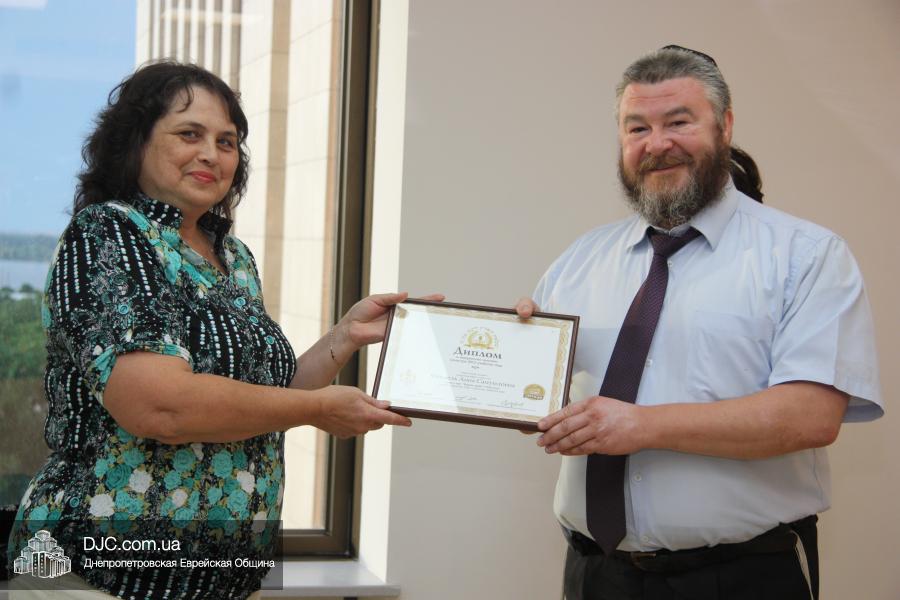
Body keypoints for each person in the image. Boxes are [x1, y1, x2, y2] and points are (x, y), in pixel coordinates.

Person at [6, 61, 426, 599]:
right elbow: (160, 407)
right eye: (189, 134)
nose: (212, 153)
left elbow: (263, 400)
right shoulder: (109, 233)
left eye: (227, 142)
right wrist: (318, 409)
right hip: (99, 576)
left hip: (226, 580)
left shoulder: (234, 256)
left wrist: (342, 337)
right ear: (136, 142)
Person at [515, 46, 883, 600]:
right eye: (637, 128)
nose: (657, 143)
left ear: (724, 126)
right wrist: (515, 374)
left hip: (743, 576)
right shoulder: (579, 261)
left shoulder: (805, 256)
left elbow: (810, 417)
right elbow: (541, 402)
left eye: (678, 122)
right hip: (597, 575)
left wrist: (641, 426)